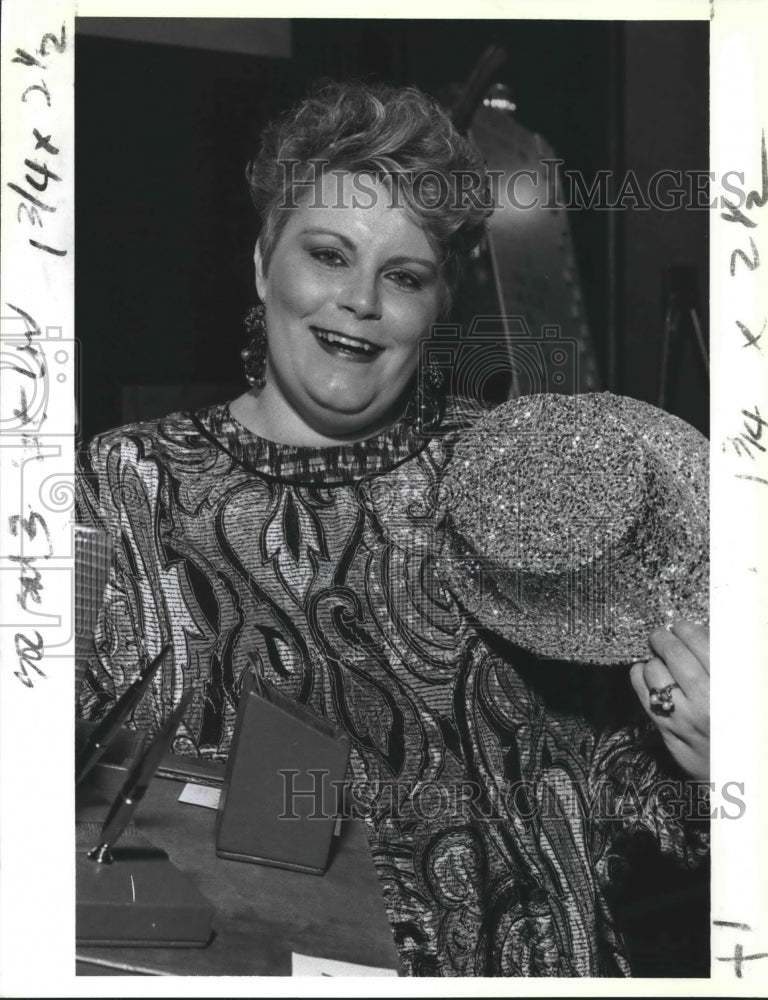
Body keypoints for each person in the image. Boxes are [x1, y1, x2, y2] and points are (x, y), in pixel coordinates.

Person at [77, 81, 709, 976]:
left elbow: (636, 794)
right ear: (265, 265)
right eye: (329, 255)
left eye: (403, 275)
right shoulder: (121, 488)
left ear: (438, 302)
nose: (360, 301)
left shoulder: (515, 484)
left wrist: (723, 758)